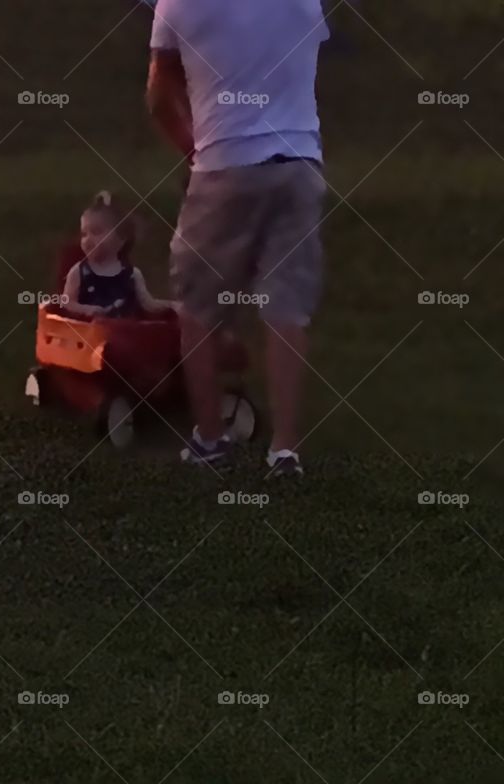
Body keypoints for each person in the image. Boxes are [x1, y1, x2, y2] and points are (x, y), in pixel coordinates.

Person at [147, 0, 329, 477]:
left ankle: (210, 441)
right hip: (299, 164)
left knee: (197, 307)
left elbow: (158, 96)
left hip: (223, 165)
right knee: (286, 308)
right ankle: (284, 451)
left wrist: (192, 148)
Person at [62, 191, 175, 319]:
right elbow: (67, 303)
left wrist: (171, 305)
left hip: (125, 334)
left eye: (96, 232)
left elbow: (148, 304)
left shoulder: (132, 274)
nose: (87, 240)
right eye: (84, 234)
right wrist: (86, 309)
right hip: (88, 335)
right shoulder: (79, 272)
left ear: (121, 239)